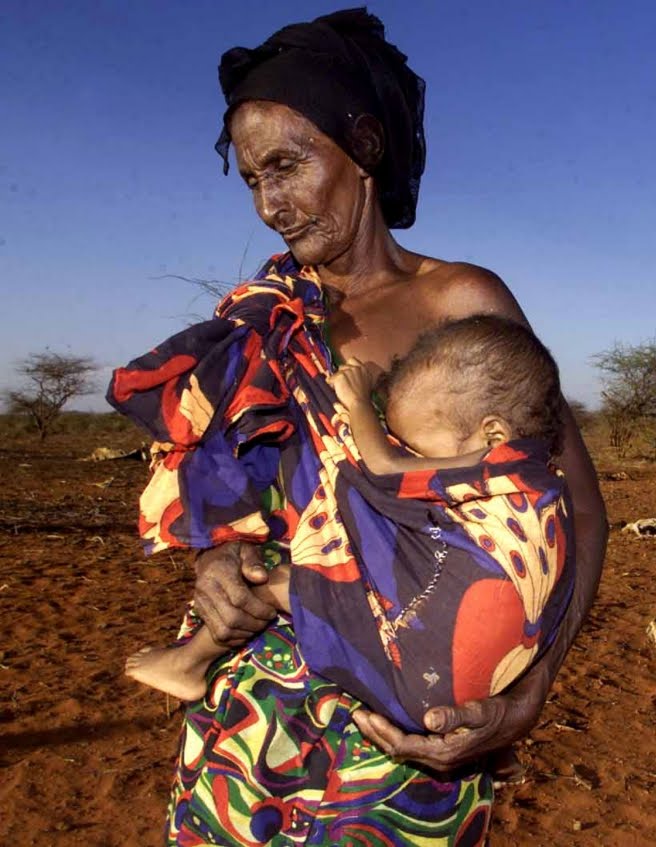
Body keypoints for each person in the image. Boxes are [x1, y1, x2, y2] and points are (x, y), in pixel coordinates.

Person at [107, 9, 605, 845]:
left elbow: (577, 506)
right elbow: (228, 483)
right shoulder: (260, 318)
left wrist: (532, 687)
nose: (270, 204)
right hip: (250, 711)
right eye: (252, 179)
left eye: (287, 165)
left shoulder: (459, 301)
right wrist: (216, 559)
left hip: (406, 724)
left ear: (364, 146)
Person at [124, 315, 574, 727]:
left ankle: (188, 663)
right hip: (492, 684)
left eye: (418, 447)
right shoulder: (544, 480)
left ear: (493, 434)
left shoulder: (499, 462)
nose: (413, 456)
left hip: (421, 683)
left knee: (285, 582)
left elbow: (382, 468)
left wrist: (357, 402)